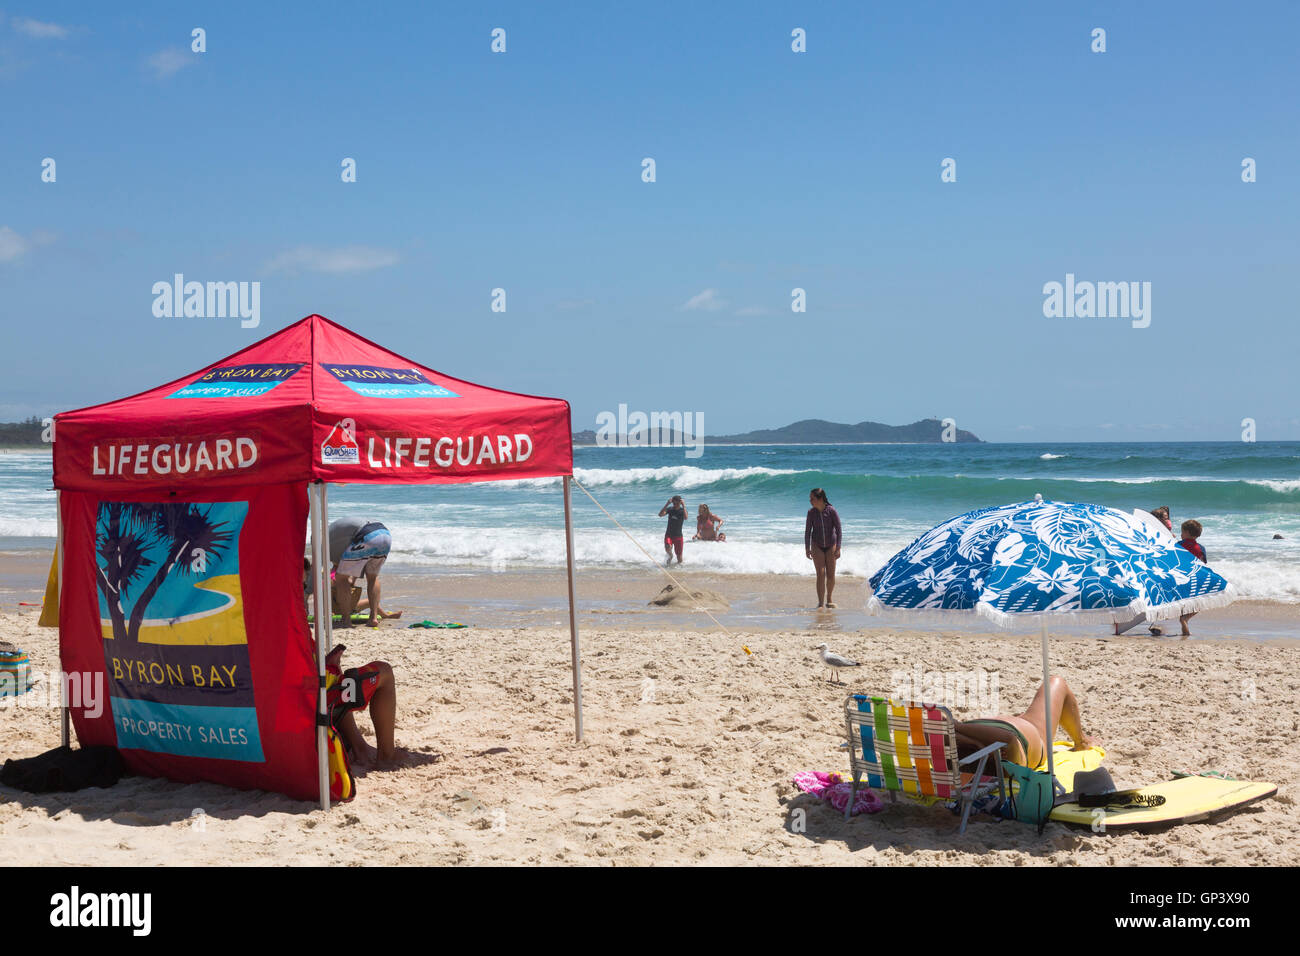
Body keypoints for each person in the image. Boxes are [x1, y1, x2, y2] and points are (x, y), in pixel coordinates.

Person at [955, 676, 1098, 769]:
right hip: (1028, 731)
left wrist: (975, 742)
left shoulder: (952, 743)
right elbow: (1009, 739)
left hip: (1009, 726)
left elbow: (937, 727)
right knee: (1056, 683)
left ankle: (1081, 741)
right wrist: (957, 726)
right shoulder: (1008, 758)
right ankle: (1081, 741)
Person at [326, 643, 402, 769]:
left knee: (340, 682)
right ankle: (386, 756)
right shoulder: (295, 630)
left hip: (299, 695)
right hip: (315, 694)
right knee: (385, 671)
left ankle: (360, 747)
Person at [1114, 505, 1175, 636]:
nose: (1168, 520)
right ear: (1157, 519)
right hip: (1152, 566)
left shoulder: (1163, 530)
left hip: (1163, 565)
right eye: (1165, 518)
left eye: (1167, 517)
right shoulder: (1148, 532)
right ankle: (1126, 618)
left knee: (1161, 595)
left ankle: (1156, 623)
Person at [329, 518, 399, 628]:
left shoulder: (328, 542)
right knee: (372, 577)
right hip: (384, 534)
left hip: (366, 535)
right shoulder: (334, 532)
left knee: (341, 578)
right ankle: (373, 618)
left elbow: (341, 566)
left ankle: (346, 620)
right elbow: (357, 560)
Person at [804, 488, 841, 608]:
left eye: (812, 498)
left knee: (830, 574)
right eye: (810, 498)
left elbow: (839, 530)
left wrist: (838, 547)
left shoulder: (831, 511)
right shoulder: (811, 513)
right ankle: (820, 603)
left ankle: (829, 599)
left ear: (820, 499)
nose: (810, 501)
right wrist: (807, 548)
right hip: (817, 545)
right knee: (820, 574)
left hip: (831, 545)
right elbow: (808, 532)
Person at [1177, 519, 1208, 638]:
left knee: (1182, 602)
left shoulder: (1179, 545)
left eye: (1182, 531)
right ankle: (1185, 619)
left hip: (1181, 577)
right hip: (1196, 578)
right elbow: (1204, 564)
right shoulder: (1201, 548)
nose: (1181, 534)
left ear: (1188, 532)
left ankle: (1183, 620)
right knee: (1198, 603)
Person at [659, 495, 687, 564]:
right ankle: (671, 556)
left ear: (680, 503)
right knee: (668, 547)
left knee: (679, 558)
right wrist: (667, 504)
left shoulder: (682, 511)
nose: (675, 505)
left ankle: (679, 571)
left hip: (678, 536)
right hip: (669, 534)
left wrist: (684, 506)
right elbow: (660, 514)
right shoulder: (670, 509)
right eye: (674, 503)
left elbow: (686, 517)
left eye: (677, 503)